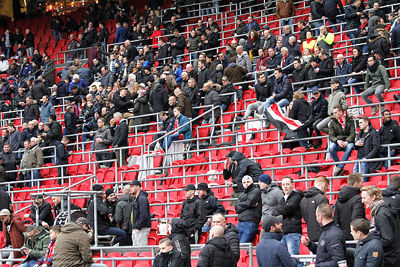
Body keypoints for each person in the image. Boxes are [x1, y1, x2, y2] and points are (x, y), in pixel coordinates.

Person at [361, 185, 400, 266]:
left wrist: (371, 245)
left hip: (390, 258)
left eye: (364, 198)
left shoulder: (381, 214)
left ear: (373, 197)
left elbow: (387, 238)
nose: (362, 201)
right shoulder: (379, 211)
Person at [274, 176, 303, 257]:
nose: (285, 186)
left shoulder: (297, 196)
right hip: (284, 232)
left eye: (287, 184)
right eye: (283, 184)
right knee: (285, 260)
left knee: (294, 259)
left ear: (293, 185)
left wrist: (282, 210)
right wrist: (283, 209)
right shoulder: (283, 199)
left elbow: (288, 209)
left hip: (293, 232)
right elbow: (275, 212)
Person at [334, 173, 365, 241]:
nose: (363, 184)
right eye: (362, 182)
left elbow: (336, 219)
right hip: (355, 237)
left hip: (342, 237)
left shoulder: (339, 199)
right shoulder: (358, 199)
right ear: (356, 184)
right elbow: (357, 219)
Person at [328, 105, 356, 176]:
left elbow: (352, 134)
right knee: (331, 147)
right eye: (334, 113)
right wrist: (337, 141)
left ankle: (339, 167)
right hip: (338, 142)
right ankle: (339, 167)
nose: (334, 114)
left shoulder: (350, 120)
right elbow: (331, 136)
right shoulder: (332, 123)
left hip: (348, 141)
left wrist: (347, 141)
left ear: (341, 112)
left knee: (349, 147)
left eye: (336, 112)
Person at [300, 176, 329, 242]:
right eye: (327, 187)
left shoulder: (303, 200)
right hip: (323, 234)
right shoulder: (322, 198)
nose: (327, 190)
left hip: (311, 233)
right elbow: (325, 217)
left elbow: (304, 217)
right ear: (324, 186)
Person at [235, 175, 262, 243]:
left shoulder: (256, 190)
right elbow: (237, 208)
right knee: (236, 245)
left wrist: (244, 204)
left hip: (250, 222)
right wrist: (249, 205)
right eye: (244, 182)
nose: (246, 183)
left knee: (242, 245)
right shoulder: (242, 194)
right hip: (240, 222)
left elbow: (250, 202)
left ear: (252, 182)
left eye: (248, 181)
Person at [130, 180, 151, 246]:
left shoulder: (142, 198)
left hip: (141, 228)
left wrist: (138, 227)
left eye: (132, 186)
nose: (130, 188)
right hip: (137, 227)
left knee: (142, 251)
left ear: (138, 187)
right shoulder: (137, 198)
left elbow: (144, 215)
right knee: (136, 251)